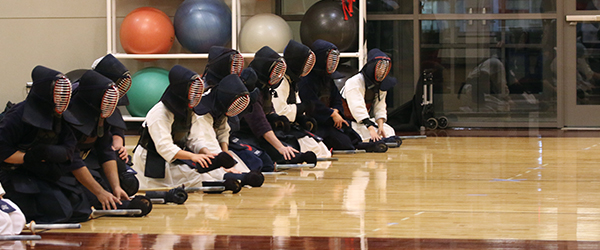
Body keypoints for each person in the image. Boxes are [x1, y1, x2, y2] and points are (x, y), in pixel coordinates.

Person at [0, 66, 91, 223]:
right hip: (13, 173)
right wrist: (30, 156)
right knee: (59, 213)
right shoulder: (17, 116)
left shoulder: (59, 115)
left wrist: (48, 153)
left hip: (42, 171)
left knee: (82, 210)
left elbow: (70, 148)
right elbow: (3, 151)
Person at [132, 65, 240, 191]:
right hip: (153, 159)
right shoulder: (160, 112)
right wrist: (192, 156)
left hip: (177, 156)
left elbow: (193, 139)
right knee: (196, 177)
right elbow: (164, 146)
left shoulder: (189, 110)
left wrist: (208, 154)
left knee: (210, 174)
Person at [234, 46, 317, 170]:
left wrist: (276, 119)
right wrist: (280, 147)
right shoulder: (250, 90)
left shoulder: (265, 88)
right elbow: (259, 124)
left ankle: (292, 156)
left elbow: (269, 112)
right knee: (265, 160)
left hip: (256, 135)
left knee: (290, 142)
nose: (278, 75)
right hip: (242, 134)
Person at [299, 40, 387, 152]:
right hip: (315, 123)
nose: (332, 62)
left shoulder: (328, 78)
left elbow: (337, 99)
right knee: (343, 143)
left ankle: (369, 145)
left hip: (332, 120)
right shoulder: (306, 80)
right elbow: (311, 104)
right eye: (329, 59)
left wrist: (336, 111)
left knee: (352, 136)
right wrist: (331, 113)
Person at [193, 74, 264, 187]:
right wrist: (223, 165)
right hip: (195, 149)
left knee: (247, 167)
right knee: (207, 172)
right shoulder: (202, 112)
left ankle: (234, 176)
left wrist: (226, 155)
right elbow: (207, 141)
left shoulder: (220, 105)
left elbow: (223, 132)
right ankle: (226, 177)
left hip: (211, 146)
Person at [272, 39, 331, 158]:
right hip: (280, 128)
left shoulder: (292, 80)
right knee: (316, 152)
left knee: (324, 152)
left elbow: (297, 104)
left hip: (293, 126)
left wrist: (303, 118)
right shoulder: (280, 81)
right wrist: (301, 108)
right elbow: (279, 112)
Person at [340, 48, 401, 146]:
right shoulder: (354, 82)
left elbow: (380, 106)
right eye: (379, 67)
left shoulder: (381, 84)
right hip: (349, 122)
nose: (381, 71)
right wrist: (371, 128)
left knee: (389, 130)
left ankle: (379, 139)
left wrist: (380, 126)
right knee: (362, 135)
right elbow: (357, 107)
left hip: (365, 123)